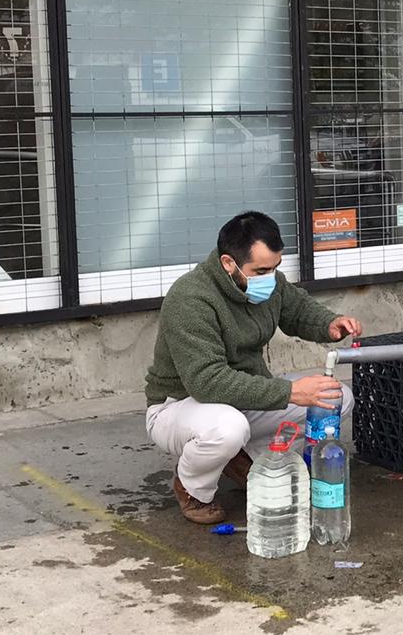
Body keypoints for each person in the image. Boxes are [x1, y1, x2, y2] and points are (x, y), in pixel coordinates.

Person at [144, 211, 362, 524]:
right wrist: (290, 392)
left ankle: (252, 462)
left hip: (242, 398)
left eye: (275, 268)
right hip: (179, 406)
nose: (270, 278)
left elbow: (297, 309)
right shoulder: (191, 298)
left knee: (335, 397)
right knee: (228, 428)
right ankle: (193, 488)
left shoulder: (268, 282)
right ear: (227, 263)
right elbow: (206, 382)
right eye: (260, 270)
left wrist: (329, 324)